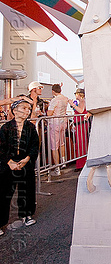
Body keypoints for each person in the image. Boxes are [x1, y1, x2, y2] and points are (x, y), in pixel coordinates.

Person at [0, 99, 39, 235]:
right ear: (15, 111)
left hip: (25, 162)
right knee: (4, 193)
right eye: (24, 108)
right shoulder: (5, 128)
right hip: (8, 164)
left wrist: (27, 159)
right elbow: (1, 148)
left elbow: (35, 146)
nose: (27, 111)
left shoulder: (31, 127)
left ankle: (26, 215)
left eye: (28, 109)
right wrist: (9, 162)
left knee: (27, 189)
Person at [47, 83, 68, 176]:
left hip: (55, 123)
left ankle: (57, 168)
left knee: (54, 146)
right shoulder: (65, 99)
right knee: (61, 143)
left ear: (53, 91)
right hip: (63, 122)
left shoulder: (54, 100)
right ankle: (63, 161)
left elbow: (49, 113)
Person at [68, 88, 89, 171]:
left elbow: (80, 111)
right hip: (80, 125)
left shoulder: (82, 101)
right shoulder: (81, 102)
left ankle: (82, 163)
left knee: (81, 144)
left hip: (81, 125)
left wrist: (72, 104)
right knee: (81, 143)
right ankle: (81, 163)